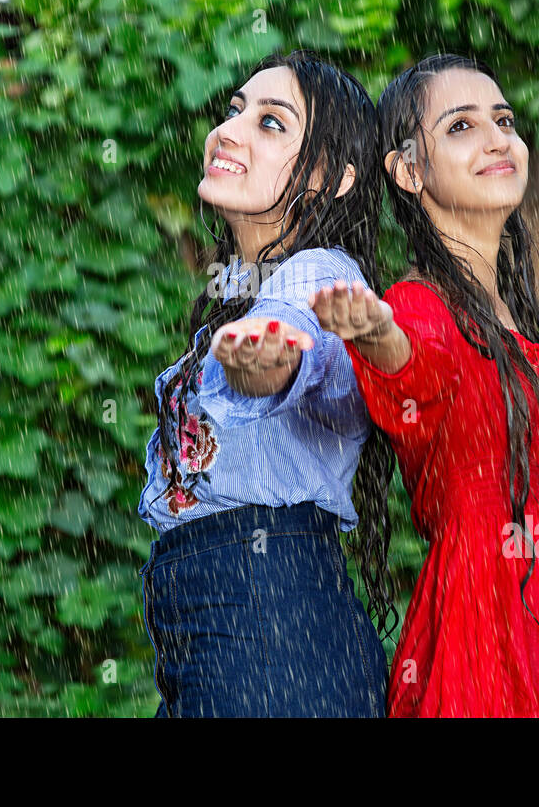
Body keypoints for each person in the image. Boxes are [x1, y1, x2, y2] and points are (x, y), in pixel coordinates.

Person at [309, 53, 539, 717]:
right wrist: (376, 336)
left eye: (502, 120)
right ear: (409, 171)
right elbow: (414, 363)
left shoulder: (513, 319)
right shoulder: (418, 306)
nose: (498, 138)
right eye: (462, 127)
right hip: (478, 648)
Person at [137, 50, 396, 717]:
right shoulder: (247, 293)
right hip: (234, 628)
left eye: (272, 123)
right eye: (234, 110)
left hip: (269, 625)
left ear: (330, 179)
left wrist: (263, 363)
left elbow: (289, 348)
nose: (230, 130)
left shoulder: (315, 274)